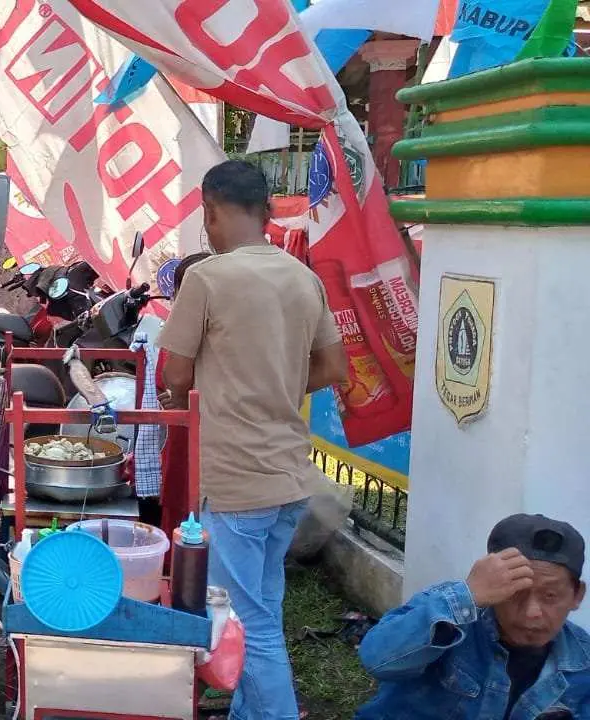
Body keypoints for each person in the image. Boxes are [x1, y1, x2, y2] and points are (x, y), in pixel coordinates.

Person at [156, 159, 349, 720]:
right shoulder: (301, 276)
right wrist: (279, 383)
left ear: (210, 210)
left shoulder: (208, 277)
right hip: (290, 477)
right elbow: (334, 365)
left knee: (248, 624)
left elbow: (174, 376)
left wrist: (187, 396)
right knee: (262, 611)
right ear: (265, 211)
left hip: (238, 483)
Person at [357, 514, 590, 719]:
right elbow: (378, 660)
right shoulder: (450, 616)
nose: (532, 613)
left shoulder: (583, 663)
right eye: (516, 593)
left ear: (577, 595)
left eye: (550, 596)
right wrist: (468, 595)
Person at [132, 252, 210, 530]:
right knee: (184, 495)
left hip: (205, 426)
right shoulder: (181, 328)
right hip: (188, 427)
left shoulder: (208, 327)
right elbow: (169, 382)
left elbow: (172, 381)